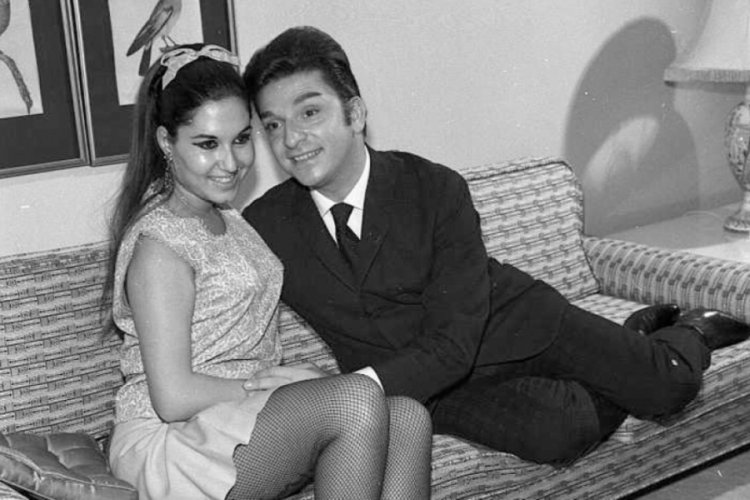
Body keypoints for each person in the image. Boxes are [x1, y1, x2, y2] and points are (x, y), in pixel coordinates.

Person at [241, 26, 750, 465]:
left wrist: (341, 389)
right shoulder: (266, 225)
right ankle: (634, 335)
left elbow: (453, 343)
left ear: (354, 113)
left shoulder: (434, 188)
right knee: (558, 434)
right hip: (433, 385)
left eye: (310, 113)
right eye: (273, 125)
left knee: (668, 387)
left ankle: (689, 332)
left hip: (517, 327)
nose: (292, 139)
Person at [103, 42, 432, 500]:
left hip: (234, 418)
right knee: (354, 401)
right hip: (171, 440)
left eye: (241, 139)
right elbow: (173, 396)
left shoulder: (231, 220)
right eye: (207, 144)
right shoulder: (161, 245)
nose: (230, 162)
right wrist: (276, 387)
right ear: (165, 142)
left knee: (408, 416)